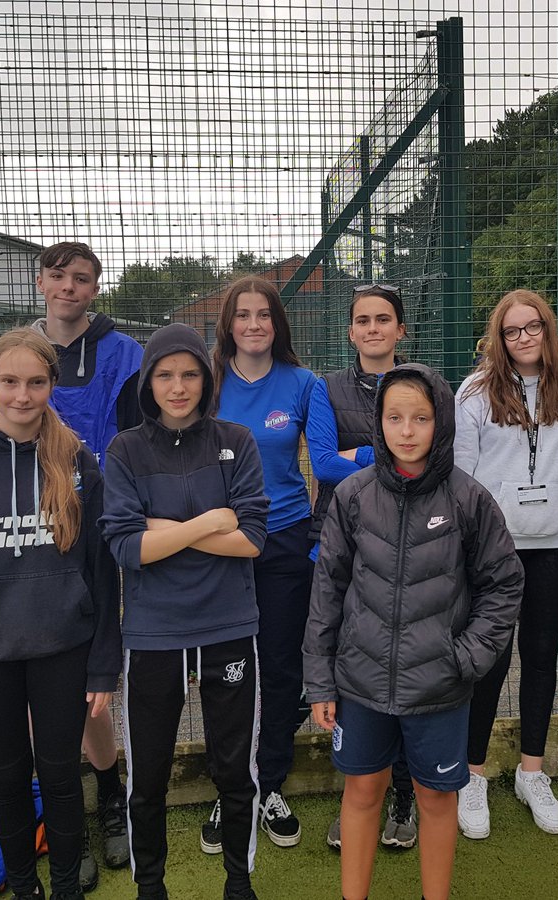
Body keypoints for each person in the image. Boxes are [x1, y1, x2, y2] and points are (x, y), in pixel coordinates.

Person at [304, 364, 523, 900]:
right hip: (360, 685)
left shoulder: (469, 499)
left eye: (420, 418)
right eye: (394, 417)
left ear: (440, 422)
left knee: (436, 799)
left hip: (440, 688)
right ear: (379, 423)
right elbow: (327, 590)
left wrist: (465, 657)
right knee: (361, 792)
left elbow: (504, 585)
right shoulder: (352, 496)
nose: (406, 431)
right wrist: (320, 681)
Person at [0, 329, 121, 900]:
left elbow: (103, 574)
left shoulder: (78, 462)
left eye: (36, 383)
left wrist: (104, 664)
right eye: (9, 382)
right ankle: (21, 887)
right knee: (7, 781)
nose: (22, 395)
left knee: (60, 778)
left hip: (63, 650)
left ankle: (65, 889)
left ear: (51, 387)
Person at [101, 323, 268, 900]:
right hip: (152, 633)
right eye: (166, 375)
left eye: (190, 374)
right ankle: (152, 888)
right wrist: (208, 522)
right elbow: (126, 548)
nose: (178, 387)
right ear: (149, 382)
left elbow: (251, 539)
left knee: (232, 770)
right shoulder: (125, 449)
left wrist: (164, 531)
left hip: (228, 626)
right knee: (146, 777)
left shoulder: (237, 440)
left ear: (206, 377)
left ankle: (238, 883)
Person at [453, 289, 558, 839]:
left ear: (547, 330)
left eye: (532, 327)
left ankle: (533, 771)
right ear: (499, 338)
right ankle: (473, 774)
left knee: (539, 655)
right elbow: (462, 475)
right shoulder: (475, 393)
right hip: (495, 547)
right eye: (512, 331)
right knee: (490, 658)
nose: (524, 338)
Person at [32, 241, 142, 887]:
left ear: (94, 289)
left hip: (101, 530)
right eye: (58, 275)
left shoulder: (124, 353)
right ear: (41, 280)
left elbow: (134, 436)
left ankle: (111, 797)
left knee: (94, 680)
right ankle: (61, 808)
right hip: (32, 533)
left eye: (81, 279)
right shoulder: (16, 350)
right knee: (42, 676)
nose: (68, 287)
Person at [204, 276, 317, 851]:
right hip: (221, 545)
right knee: (227, 668)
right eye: (242, 315)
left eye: (264, 315)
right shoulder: (208, 382)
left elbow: (323, 463)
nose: (253, 324)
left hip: (284, 542)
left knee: (278, 667)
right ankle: (231, 788)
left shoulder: (303, 383)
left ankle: (269, 783)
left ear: (278, 323)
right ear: (228, 324)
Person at [305, 283, 419, 850]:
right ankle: (357, 798)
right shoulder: (327, 388)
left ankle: (405, 796)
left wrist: (361, 453)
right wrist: (391, 449)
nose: (372, 328)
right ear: (351, 332)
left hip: (410, 544)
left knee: (404, 667)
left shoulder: (422, 384)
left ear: (400, 329)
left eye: (383, 319)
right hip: (342, 540)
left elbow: (433, 455)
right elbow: (325, 465)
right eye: (362, 321)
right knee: (352, 672)